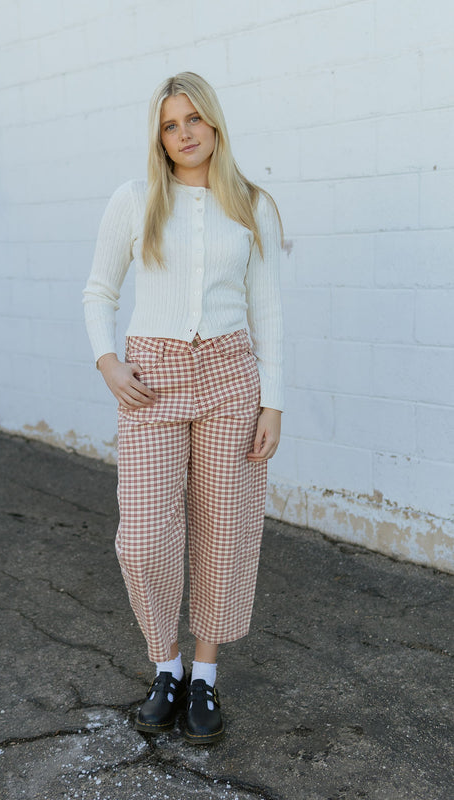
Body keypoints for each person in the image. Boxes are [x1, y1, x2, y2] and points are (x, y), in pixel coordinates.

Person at [83, 71, 284, 744]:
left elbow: (268, 312)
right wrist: (106, 361)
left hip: (231, 378)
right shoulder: (135, 199)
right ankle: (163, 664)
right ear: (159, 136)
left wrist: (272, 403)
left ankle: (203, 676)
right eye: (170, 124)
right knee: (142, 540)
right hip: (153, 380)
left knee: (224, 534)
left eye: (194, 119)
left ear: (215, 124)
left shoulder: (252, 204)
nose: (184, 133)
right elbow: (98, 290)